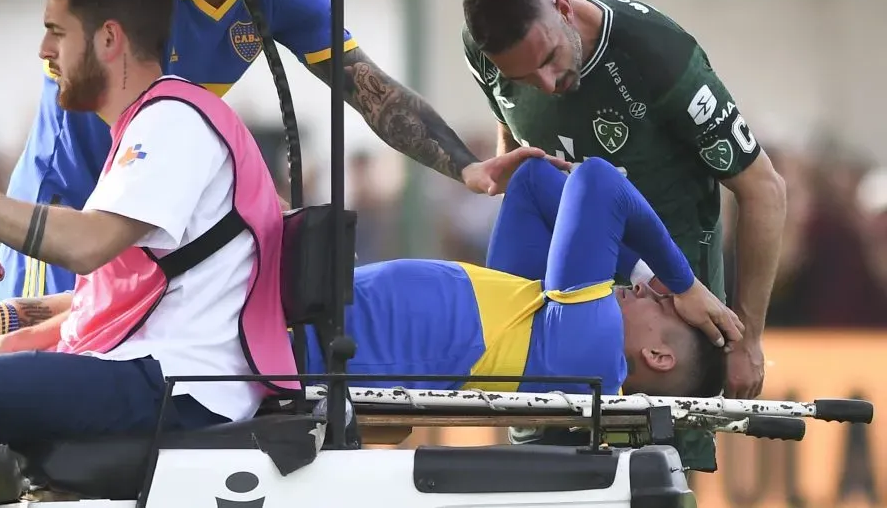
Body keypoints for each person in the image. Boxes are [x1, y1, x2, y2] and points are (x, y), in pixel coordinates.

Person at [0, 0, 297, 508]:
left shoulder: (174, 122)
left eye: (56, 33)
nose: (44, 51)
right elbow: (116, 292)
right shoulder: (145, 127)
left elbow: (85, 246)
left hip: (180, 385)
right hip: (130, 363)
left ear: (108, 39)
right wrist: (22, 336)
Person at [0, 0, 544, 303]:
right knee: (27, 400)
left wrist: (470, 168)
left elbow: (367, 87)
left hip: (147, 230)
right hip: (65, 219)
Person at [459, 0, 787, 467]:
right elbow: (514, 132)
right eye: (523, 76)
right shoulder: (486, 43)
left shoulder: (657, 55)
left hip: (669, 302)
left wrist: (751, 337)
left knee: (654, 472)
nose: (545, 84)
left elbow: (764, 189)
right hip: (563, 290)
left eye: (549, 59)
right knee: (542, 466)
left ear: (564, 9)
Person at [304, 157, 741, 398]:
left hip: (311, 346)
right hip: (314, 318)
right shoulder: (545, 322)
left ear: (658, 356)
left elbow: (597, 180)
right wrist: (668, 283)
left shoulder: (593, 349)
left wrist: (681, 282)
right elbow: (532, 183)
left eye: (660, 302)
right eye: (658, 288)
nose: (647, 288)